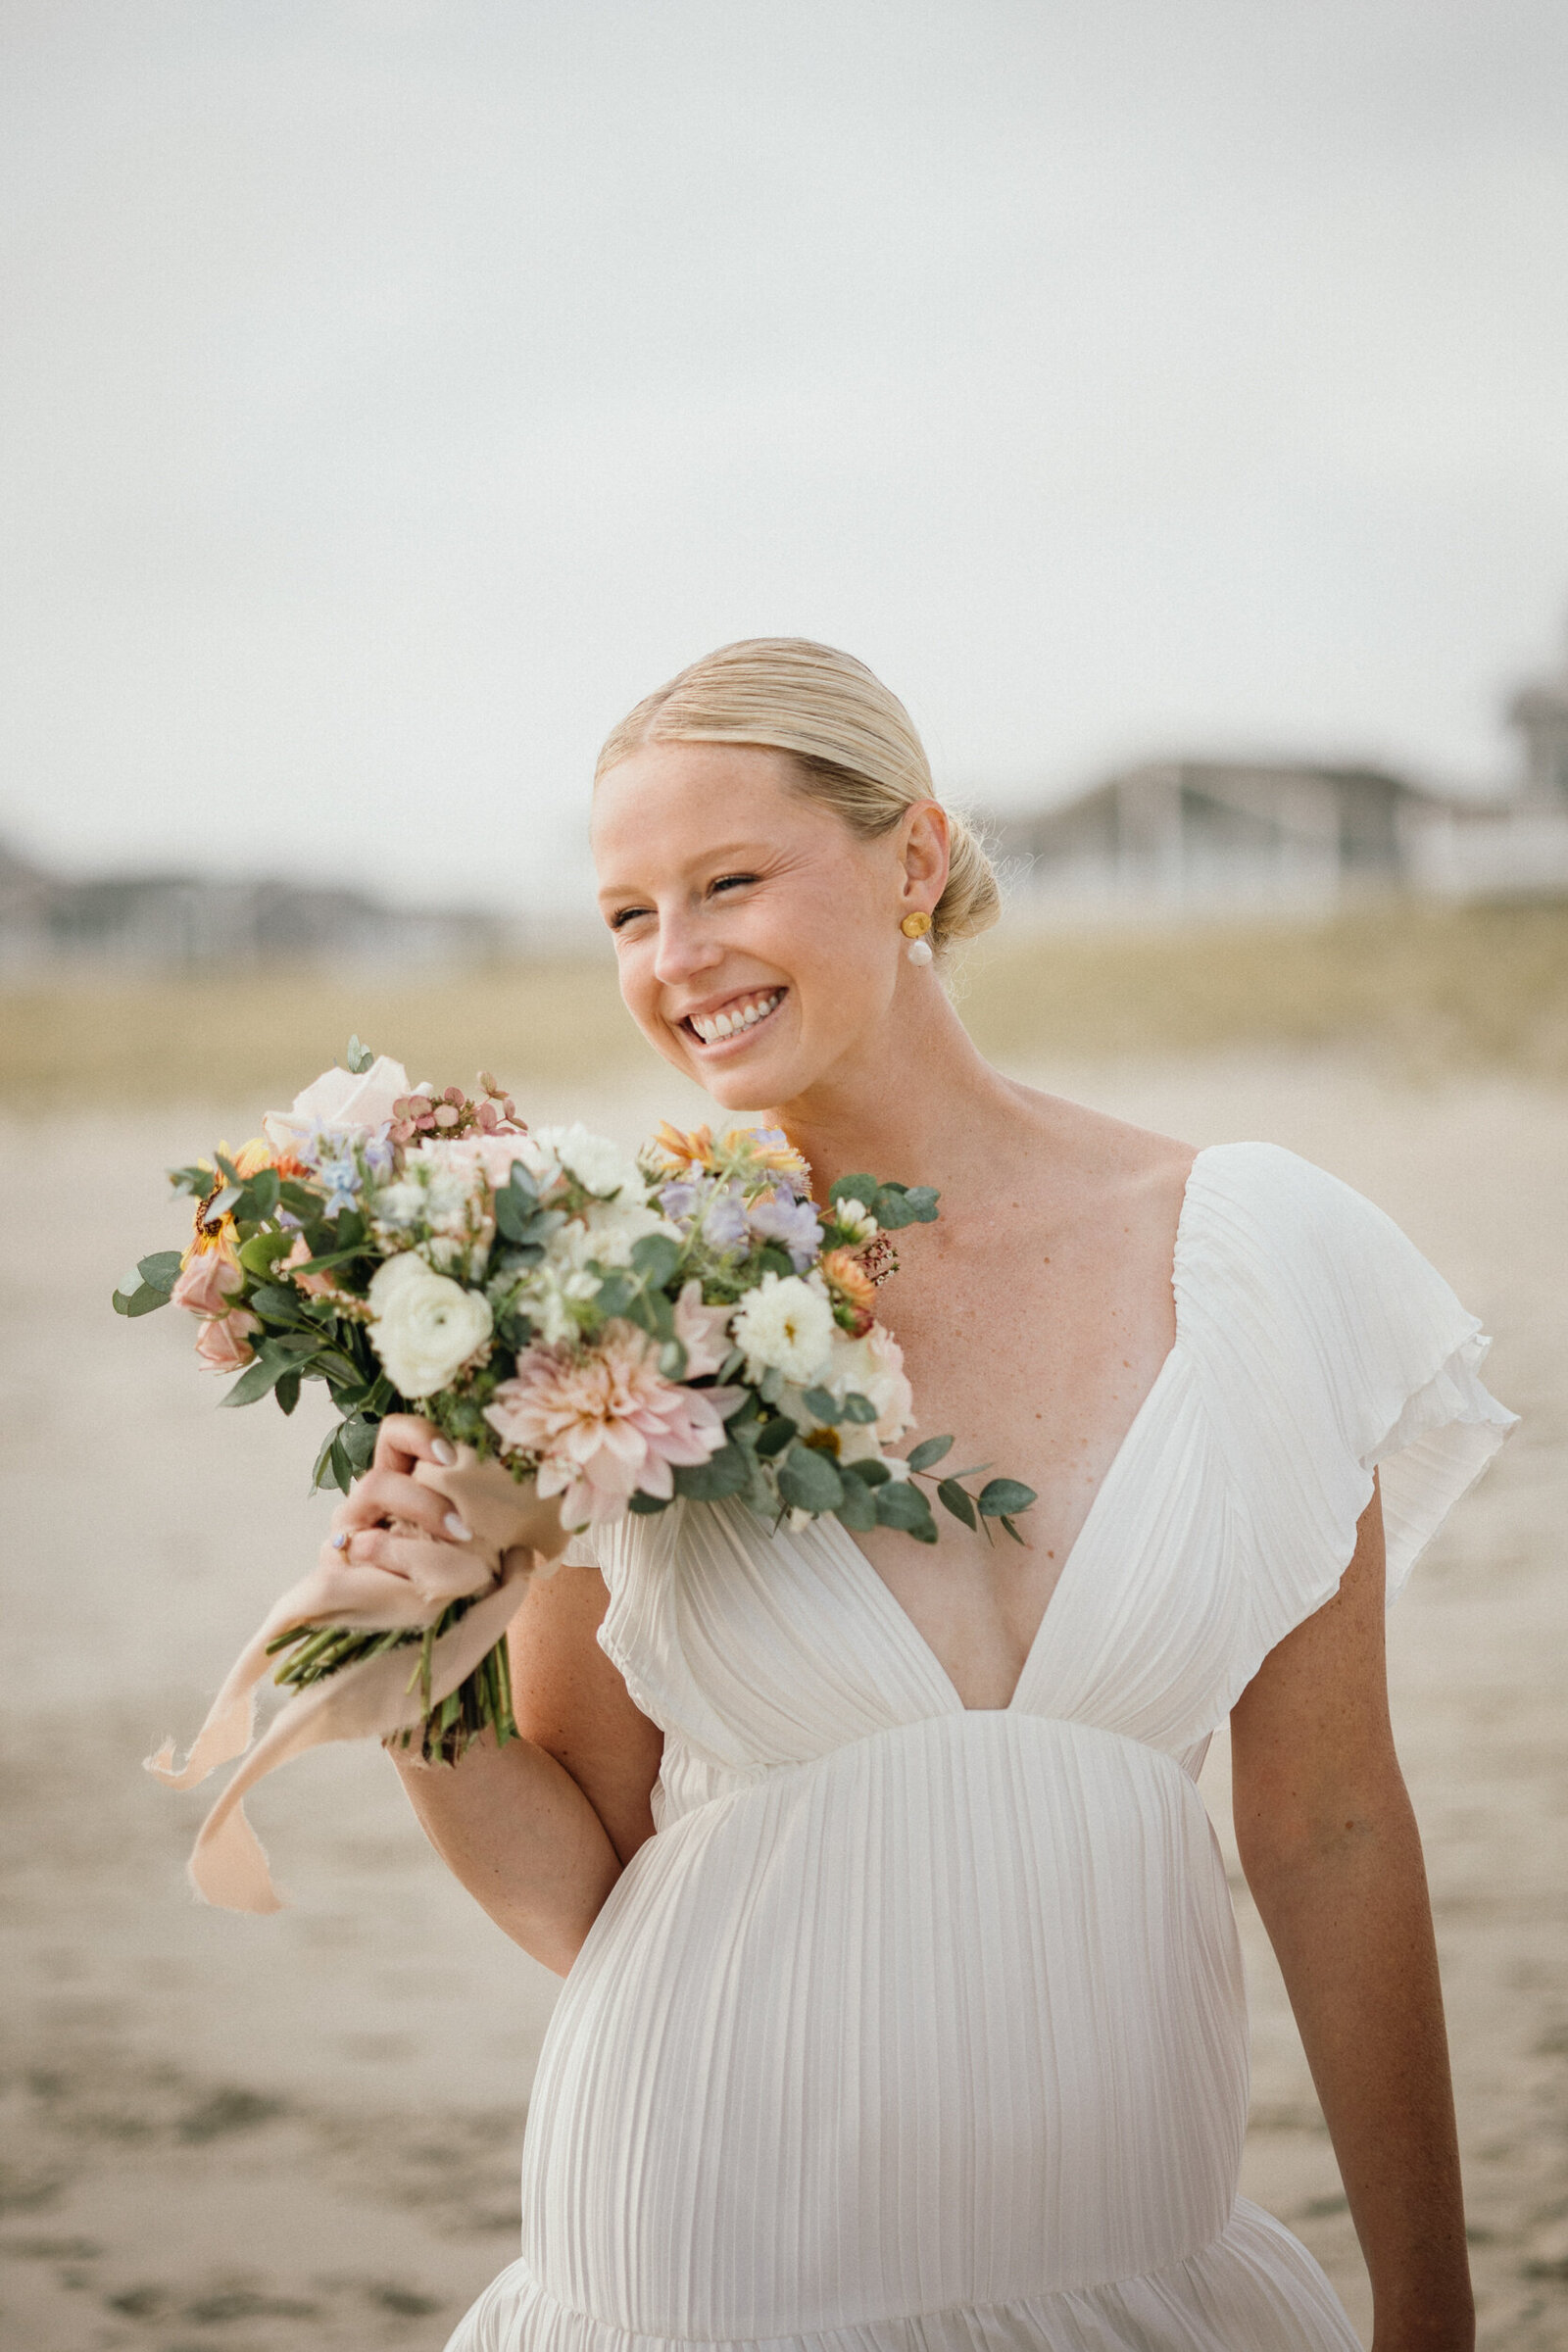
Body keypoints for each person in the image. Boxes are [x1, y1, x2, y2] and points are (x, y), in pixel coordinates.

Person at [327, 640, 1514, 2351]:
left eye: (728, 881)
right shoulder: (608, 1304)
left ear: (915, 857)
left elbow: (1328, 1823)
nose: (677, 961)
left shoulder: (1264, 1257)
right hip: (700, 2266)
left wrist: (1432, 2304)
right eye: (627, 914)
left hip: (1137, 2259)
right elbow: (576, 1883)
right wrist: (415, 1668)